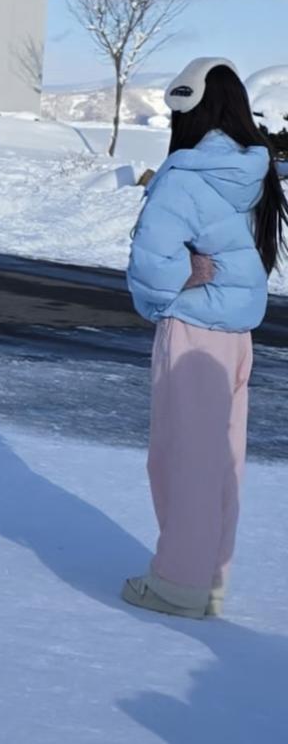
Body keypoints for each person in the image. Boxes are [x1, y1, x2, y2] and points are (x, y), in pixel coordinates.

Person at [123, 57, 288, 618]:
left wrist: (176, 279)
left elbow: (151, 265)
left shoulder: (187, 175)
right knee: (221, 460)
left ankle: (178, 584)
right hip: (237, 336)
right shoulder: (253, 170)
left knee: (180, 458)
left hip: (194, 332)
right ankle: (211, 577)